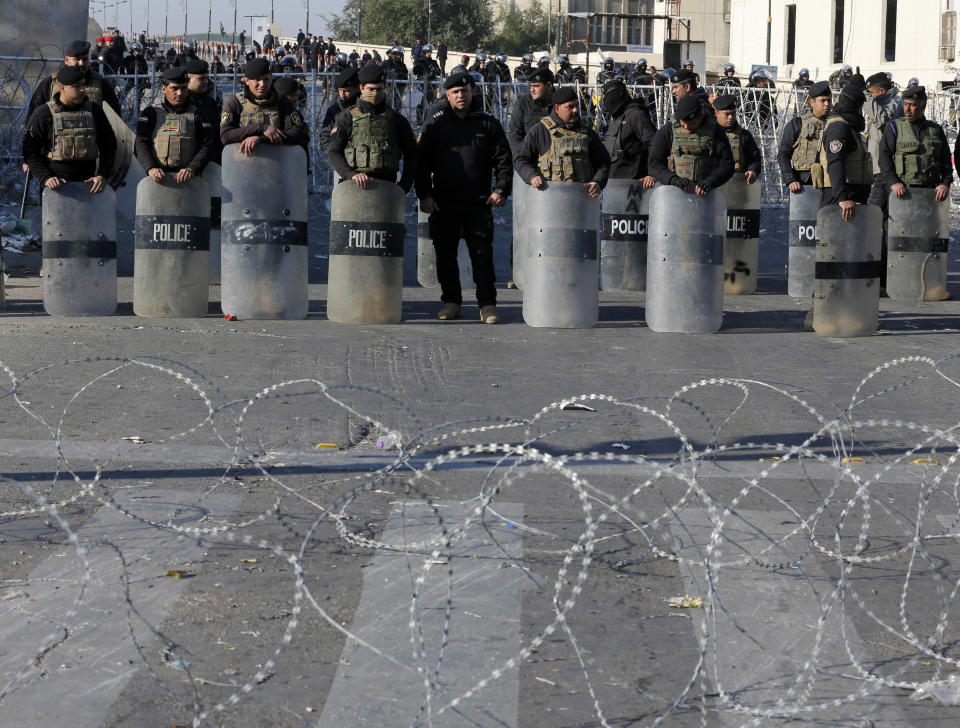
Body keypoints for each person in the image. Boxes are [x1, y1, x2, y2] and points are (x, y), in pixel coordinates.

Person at [416, 71, 512, 324]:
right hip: (443, 201)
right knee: (445, 255)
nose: (461, 95)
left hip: (478, 201)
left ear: (473, 92)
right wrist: (424, 195)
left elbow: (503, 159)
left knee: (482, 255)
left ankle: (487, 305)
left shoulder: (488, 123)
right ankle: (451, 302)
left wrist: (501, 189)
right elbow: (422, 163)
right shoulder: (436, 124)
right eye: (455, 92)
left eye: (465, 90)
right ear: (446, 94)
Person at [22, 63, 116, 195]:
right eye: (76, 86)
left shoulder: (94, 111)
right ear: (62, 88)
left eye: (83, 84)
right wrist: (46, 177)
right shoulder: (44, 114)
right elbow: (30, 151)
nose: (83, 89)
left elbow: (109, 146)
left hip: (88, 188)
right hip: (55, 190)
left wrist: (102, 175)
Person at [324, 64, 417, 192]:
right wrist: (351, 174)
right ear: (361, 88)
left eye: (379, 89)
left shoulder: (396, 120)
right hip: (354, 187)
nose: (375, 93)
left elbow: (412, 154)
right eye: (371, 89)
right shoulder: (346, 117)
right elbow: (333, 151)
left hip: (386, 189)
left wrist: (404, 186)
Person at [514, 85, 611, 199]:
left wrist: (597, 182)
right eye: (570, 107)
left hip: (581, 202)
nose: (575, 110)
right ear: (557, 109)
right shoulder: (540, 131)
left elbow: (603, 162)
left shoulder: (587, 133)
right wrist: (532, 176)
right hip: (548, 201)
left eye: (576, 106)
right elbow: (521, 159)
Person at [134, 66, 214, 186]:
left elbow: (206, 145)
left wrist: (192, 168)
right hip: (157, 179)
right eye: (174, 89)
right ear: (164, 89)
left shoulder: (198, 115)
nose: (180, 93)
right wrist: (150, 168)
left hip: (187, 180)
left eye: (183, 88)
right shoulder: (151, 113)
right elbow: (140, 142)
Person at [219, 57, 310, 157]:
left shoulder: (282, 101)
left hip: (277, 164)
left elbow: (297, 133)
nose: (262, 84)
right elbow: (225, 135)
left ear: (271, 78)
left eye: (265, 79)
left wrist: (261, 139)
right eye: (257, 80)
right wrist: (261, 128)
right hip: (243, 165)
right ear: (247, 81)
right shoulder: (236, 102)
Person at [878, 85, 951, 207]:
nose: (907, 109)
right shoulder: (894, 128)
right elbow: (884, 158)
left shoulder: (936, 130)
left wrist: (945, 183)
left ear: (923, 106)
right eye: (905, 104)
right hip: (903, 193)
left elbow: (946, 161)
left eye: (912, 105)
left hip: (930, 194)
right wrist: (894, 182)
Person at [647, 95, 735, 196]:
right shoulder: (668, 131)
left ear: (701, 116)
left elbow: (727, 164)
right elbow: (654, 164)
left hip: (706, 197)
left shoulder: (715, 131)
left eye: (691, 123)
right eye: (683, 123)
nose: (686, 127)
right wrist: (673, 180)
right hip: (673, 196)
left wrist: (710, 181)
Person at [813, 73, 873, 218]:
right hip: (841, 201)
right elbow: (835, 161)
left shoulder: (848, 127)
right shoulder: (839, 127)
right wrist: (843, 198)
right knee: (838, 240)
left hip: (851, 198)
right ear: (856, 107)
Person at [28, 40, 122, 119]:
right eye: (77, 59)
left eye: (85, 59)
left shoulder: (100, 83)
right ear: (66, 60)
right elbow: (33, 117)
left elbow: (116, 116)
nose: (81, 63)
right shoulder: (50, 83)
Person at [777, 80, 832, 190]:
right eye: (823, 101)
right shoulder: (797, 124)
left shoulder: (836, 124)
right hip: (804, 182)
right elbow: (783, 154)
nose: (827, 104)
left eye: (829, 100)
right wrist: (790, 179)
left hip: (830, 181)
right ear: (812, 102)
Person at [601, 80, 656, 185]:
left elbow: (655, 145)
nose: (606, 100)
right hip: (614, 185)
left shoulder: (636, 115)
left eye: (608, 95)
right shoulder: (619, 117)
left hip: (633, 186)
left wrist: (652, 173)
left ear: (620, 94)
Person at [713, 94, 761, 183]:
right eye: (727, 114)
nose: (731, 117)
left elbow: (754, 159)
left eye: (733, 113)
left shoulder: (744, 135)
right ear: (716, 113)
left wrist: (752, 171)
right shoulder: (709, 134)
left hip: (737, 185)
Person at [507, 66, 554, 157]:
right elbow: (515, 134)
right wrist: (521, 161)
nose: (532, 90)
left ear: (549, 86)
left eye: (536, 86)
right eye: (531, 86)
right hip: (531, 164)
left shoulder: (561, 103)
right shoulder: (523, 103)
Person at [319, 66, 360, 154]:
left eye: (346, 91)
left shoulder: (364, 107)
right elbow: (325, 135)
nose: (342, 95)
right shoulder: (335, 109)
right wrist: (333, 155)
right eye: (340, 90)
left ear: (357, 88)